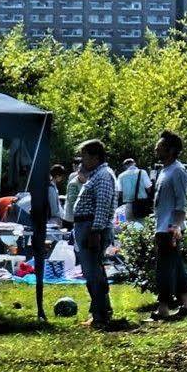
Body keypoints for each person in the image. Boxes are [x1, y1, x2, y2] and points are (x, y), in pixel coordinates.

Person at [67, 139, 119, 328]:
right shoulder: (96, 175)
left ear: (96, 157)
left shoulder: (104, 175)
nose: (82, 161)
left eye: (85, 156)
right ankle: (101, 311)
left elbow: (103, 206)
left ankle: (100, 315)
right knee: (93, 271)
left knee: (93, 273)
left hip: (91, 227)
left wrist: (95, 231)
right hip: (86, 226)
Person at [150, 131, 187, 320]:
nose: (156, 148)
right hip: (162, 226)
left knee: (164, 269)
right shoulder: (164, 170)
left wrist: (176, 226)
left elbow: (181, 202)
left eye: (160, 145)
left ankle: (163, 308)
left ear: (170, 150)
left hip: (170, 228)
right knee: (176, 267)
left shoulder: (177, 170)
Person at [117, 156, 153, 223]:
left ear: (125, 166)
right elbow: (149, 188)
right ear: (134, 163)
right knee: (142, 226)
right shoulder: (142, 172)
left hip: (128, 205)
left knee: (130, 226)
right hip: (141, 204)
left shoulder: (121, 176)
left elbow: (119, 193)